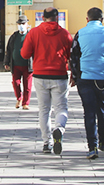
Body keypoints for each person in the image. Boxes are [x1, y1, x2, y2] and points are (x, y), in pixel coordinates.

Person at [70, 7, 104, 160]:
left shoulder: (80, 33)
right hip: (103, 77)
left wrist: (77, 76)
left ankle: (92, 147)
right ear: (102, 20)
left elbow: (73, 57)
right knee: (103, 110)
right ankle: (103, 141)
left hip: (85, 77)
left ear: (87, 19)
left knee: (89, 112)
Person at [20, 8, 73, 155]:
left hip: (40, 76)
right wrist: (73, 73)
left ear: (43, 17)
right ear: (57, 18)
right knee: (61, 108)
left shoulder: (34, 33)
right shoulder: (65, 34)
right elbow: (72, 56)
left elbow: (24, 54)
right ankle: (59, 129)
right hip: (60, 76)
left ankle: (46, 142)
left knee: (44, 110)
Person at [4, 15, 33, 109]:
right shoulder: (14, 36)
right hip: (15, 64)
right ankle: (19, 98)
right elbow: (8, 50)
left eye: (23, 23)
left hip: (27, 65)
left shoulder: (30, 36)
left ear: (27, 24)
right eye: (19, 24)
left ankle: (25, 103)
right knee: (15, 83)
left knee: (27, 85)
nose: (21, 25)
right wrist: (6, 62)